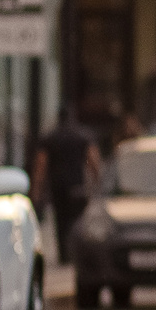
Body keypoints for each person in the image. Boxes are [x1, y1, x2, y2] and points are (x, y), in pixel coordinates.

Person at [32, 110, 100, 264]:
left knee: (60, 222)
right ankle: (76, 254)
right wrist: (98, 181)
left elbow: (41, 165)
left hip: (57, 186)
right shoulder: (82, 135)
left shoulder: (50, 137)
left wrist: (37, 189)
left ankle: (64, 255)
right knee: (77, 221)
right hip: (77, 185)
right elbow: (93, 159)